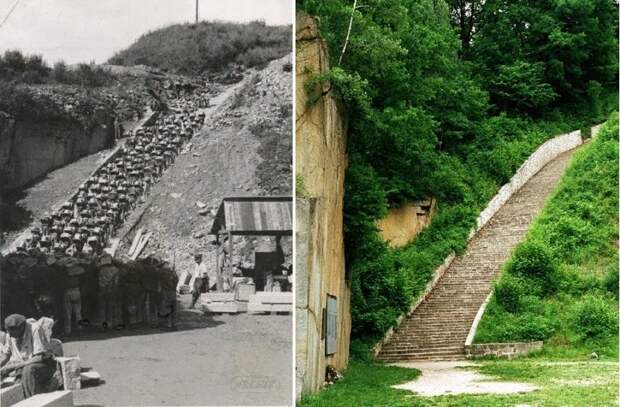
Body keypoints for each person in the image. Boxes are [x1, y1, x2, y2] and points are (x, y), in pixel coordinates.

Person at [0, 314, 57, 398]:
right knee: (17, 387)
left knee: (28, 370)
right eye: (8, 331)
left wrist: (15, 366)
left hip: (45, 365)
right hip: (24, 366)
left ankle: (33, 401)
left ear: (21, 327)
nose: (9, 335)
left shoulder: (35, 329)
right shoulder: (10, 333)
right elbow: (6, 354)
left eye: (12, 332)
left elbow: (40, 357)